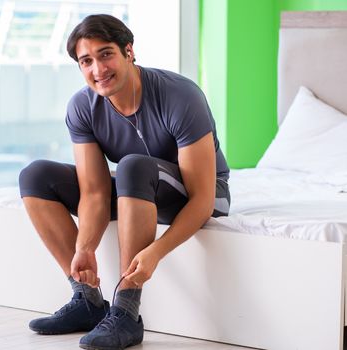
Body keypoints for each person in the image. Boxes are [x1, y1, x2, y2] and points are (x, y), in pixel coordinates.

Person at [18, 14, 230, 350]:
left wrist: (156, 253)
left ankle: (126, 313)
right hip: (140, 187)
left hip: (202, 190)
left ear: (129, 51)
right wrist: (84, 248)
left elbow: (203, 199)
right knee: (35, 176)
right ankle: (87, 300)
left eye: (105, 54)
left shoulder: (179, 96)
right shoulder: (82, 108)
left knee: (132, 166)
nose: (98, 70)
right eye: (86, 61)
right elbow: (95, 191)